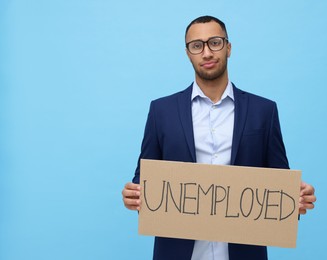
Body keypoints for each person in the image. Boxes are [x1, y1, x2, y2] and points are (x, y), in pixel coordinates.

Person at [122, 15, 316, 260]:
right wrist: (133, 194)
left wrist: (296, 199)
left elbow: (279, 181)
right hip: (178, 252)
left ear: (228, 47)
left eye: (215, 42)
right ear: (187, 53)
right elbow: (144, 178)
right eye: (197, 45)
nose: (206, 52)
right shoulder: (162, 111)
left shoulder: (263, 111)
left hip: (244, 252)